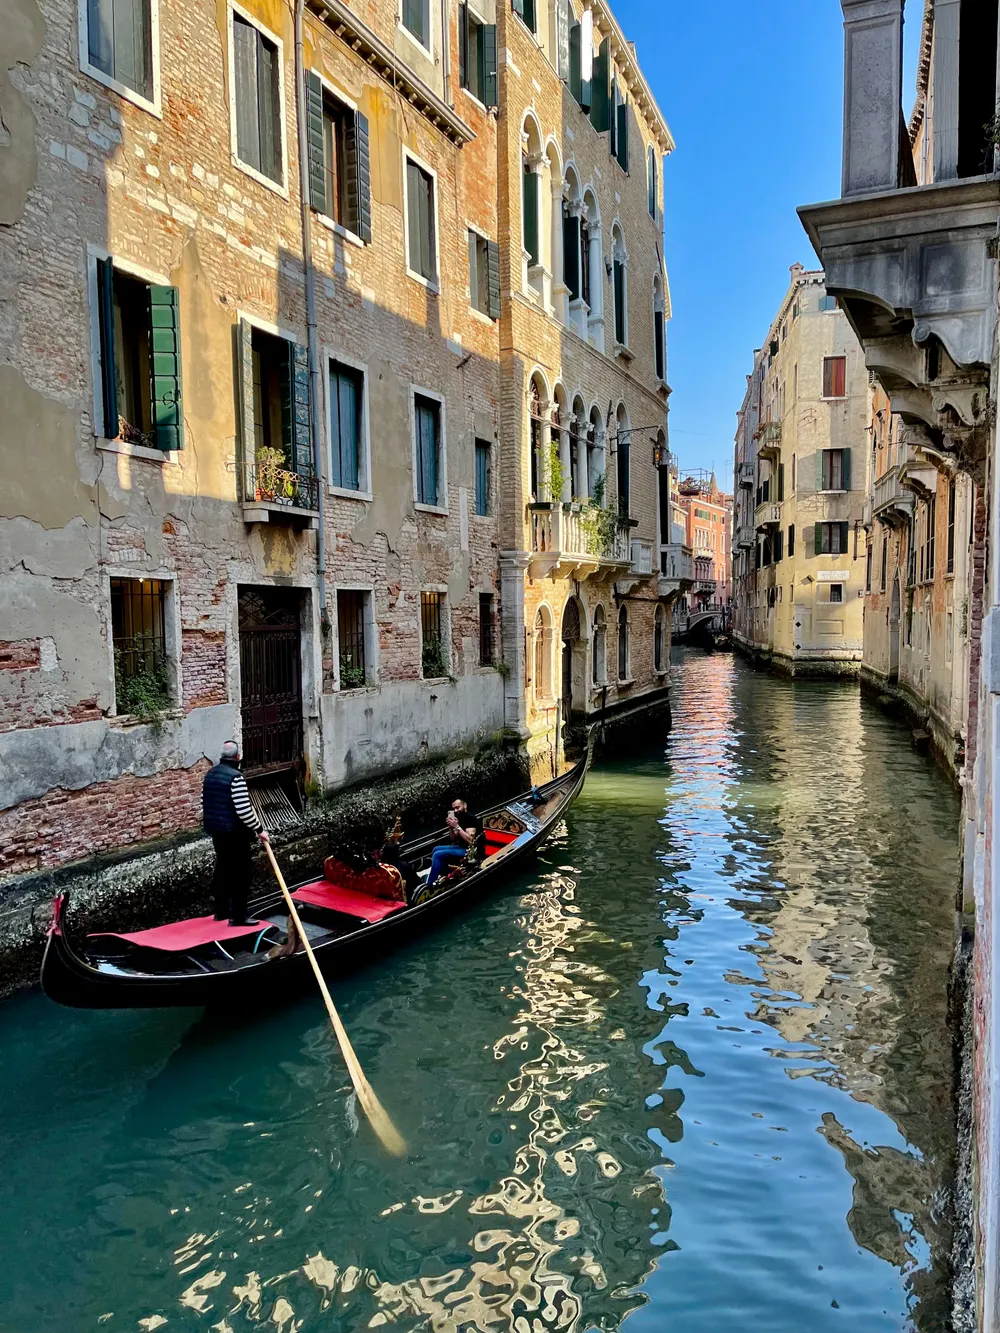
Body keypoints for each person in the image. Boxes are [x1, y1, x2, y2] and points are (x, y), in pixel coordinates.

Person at [202, 741, 270, 926]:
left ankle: (221, 912)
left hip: (217, 832)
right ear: (237, 757)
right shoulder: (236, 778)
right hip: (235, 834)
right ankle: (238, 917)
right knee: (241, 874)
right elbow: (244, 811)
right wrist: (260, 830)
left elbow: (205, 801)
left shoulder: (210, 774)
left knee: (223, 869)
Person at [425, 798, 483, 885]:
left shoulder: (470, 818)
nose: (455, 810)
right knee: (436, 849)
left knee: (437, 854)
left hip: (471, 850)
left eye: (457, 807)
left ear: (465, 806)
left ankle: (431, 884)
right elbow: (453, 838)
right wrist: (450, 827)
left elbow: (471, 841)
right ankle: (444, 873)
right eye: (454, 808)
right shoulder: (458, 818)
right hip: (461, 846)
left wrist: (457, 826)